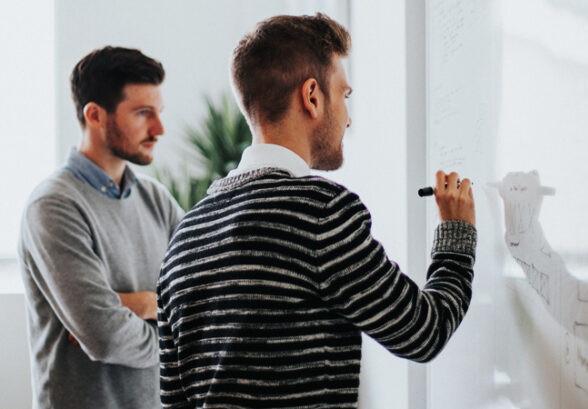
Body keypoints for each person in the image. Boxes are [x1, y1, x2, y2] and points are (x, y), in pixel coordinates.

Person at [157, 13, 477, 409]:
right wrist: (457, 234)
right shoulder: (320, 212)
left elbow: (174, 402)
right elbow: (424, 332)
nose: (348, 117)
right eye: (344, 95)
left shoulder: (185, 236)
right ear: (312, 96)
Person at [18, 46, 183, 409]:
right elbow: (105, 337)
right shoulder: (53, 206)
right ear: (94, 115)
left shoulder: (157, 199)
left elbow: (203, 303)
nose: (159, 129)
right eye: (143, 113)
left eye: (159, 112)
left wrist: (139, 304)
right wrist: (169, 330)